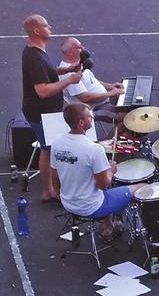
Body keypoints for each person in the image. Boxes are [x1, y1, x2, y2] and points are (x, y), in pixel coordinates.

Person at [50, 104, 143, 240]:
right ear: (81, 123)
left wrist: (60, 195)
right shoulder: (94, 149)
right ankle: (141, 232)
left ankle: (109, 227)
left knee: (100, 189)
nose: (92, 118)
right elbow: (103, 185)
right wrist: (111, 170)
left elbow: (54, 176)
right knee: (141, 187)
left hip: (68, 202)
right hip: (92, 206)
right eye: (89, 116)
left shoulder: (57, 144)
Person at [21, 14, 83, 202]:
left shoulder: (37, 52)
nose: (50, 28)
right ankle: (49, 191)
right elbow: (42, 90)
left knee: (48, 149)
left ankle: (50, 189)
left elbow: (48, 72)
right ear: (37, 31)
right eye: (46, 26)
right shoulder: (35, 58)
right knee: (48, 150)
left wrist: (67, 70)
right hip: (41, 113)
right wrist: (71, 80)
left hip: (45, 112)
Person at [58, 38, 123, 115]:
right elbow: (85, 97)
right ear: (70, 52)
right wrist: (110, 93)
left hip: (104, 100)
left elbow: (91, 81)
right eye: (79, 47)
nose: (83, 48)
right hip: (93, 109)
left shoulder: (79, 64)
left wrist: (110, 86)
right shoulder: (69, 74)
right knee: (125, 116)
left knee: (130, 104)